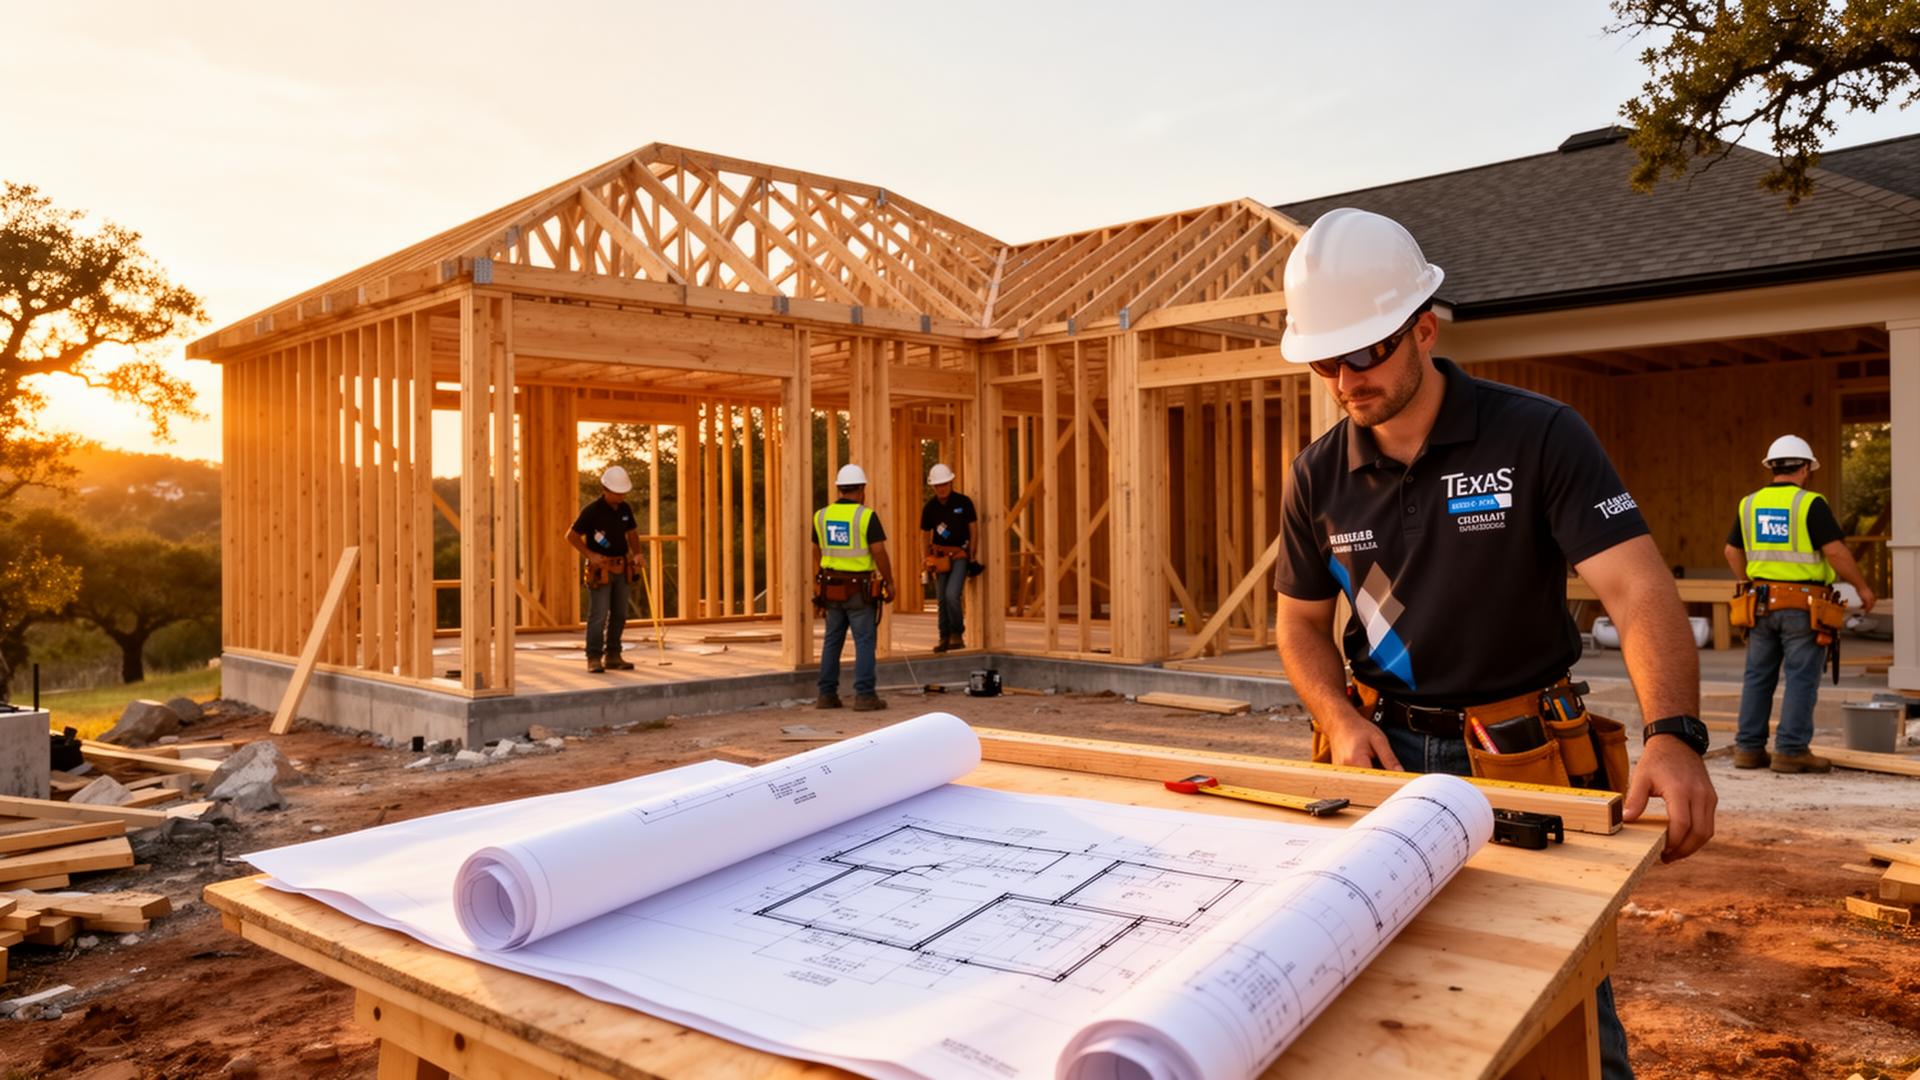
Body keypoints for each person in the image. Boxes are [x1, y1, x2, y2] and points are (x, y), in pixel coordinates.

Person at [1269, 208, 1716, 1080]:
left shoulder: (1537, 435)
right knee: (1382, 989)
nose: (1346, 378)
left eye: (1366, 352)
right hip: (1383, 753)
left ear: (1423, 329)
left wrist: (1675, 733)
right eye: (1327, 360)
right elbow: (1297, 623)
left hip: (1525, 755)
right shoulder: (1317, 475)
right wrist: (1338, 716)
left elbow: (1637, 587)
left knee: (1561, 1002)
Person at [1723, 435, 1877, 773]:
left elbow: (1732, 551)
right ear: (1805, 469)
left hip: (1759, 604)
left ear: (1772, 467)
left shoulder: (1749, 504)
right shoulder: (1810, 504)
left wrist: (1750, 581)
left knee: (1757, 677)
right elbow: (1835, 552)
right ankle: (1790, 751)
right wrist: (1862, 587)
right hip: (1805, 608)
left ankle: (1748, 750)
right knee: (1801, 677)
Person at [813, 463, 895, 710]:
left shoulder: (821, 516)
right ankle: (865, 696)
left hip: (831, 588)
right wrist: (889, 581)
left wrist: (825, 572)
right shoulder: (865, 516)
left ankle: (826, 695)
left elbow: (815, 549)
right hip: (859, 589)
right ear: (861, 489)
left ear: (839, 488)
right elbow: (878, 551)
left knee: (832, 641)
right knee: (864, 641)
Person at [567, 465, 644, 674]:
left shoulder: (625, 509)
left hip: (622, 567)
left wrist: (637, 553)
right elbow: (571, 536)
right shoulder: (592, 511)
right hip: (599, 571)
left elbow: (633, 533)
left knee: (620, 614)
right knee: (598, 615)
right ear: (606, 489)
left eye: (623, 493)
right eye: (617, 493)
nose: (621, 496)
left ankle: (613, 655)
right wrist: (590, 555)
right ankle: (593, 657)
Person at [919, 462, 977, 652]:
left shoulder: (964, 502)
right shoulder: (930, 508)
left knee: (952, 595)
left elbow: (973, 529)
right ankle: (944, 637)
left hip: (960, 555)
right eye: (937, 485)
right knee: (942, 599)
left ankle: (957, 633)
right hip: (940, 558)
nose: (941, 488)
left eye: (944, 484)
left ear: (951, 483)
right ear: (933, 487)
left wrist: (971, 554)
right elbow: (924, 534)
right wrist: (924, 557)